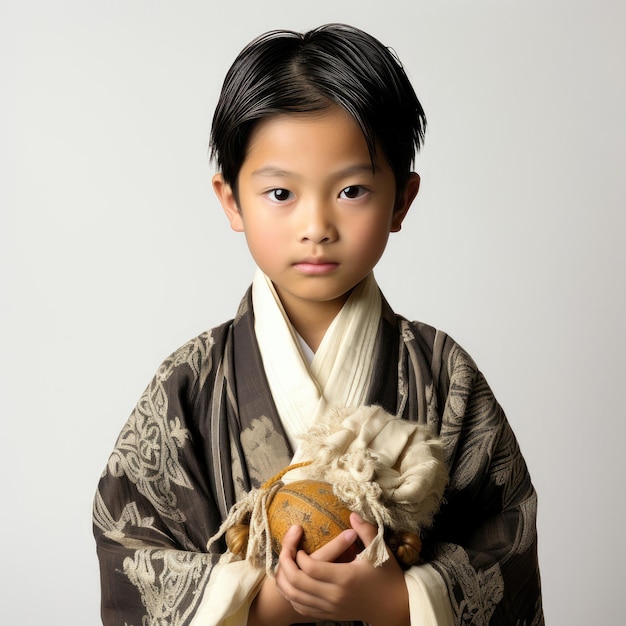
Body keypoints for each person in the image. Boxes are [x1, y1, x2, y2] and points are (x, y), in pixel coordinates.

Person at [93, 23, 544, 625]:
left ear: (402, 201)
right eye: (281, 193)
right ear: (231, 200)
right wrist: (257, 606)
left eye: (352, 190)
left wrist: (400, 602)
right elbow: (128, 547)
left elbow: (505, 538)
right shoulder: (191, 381)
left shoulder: (442, 373)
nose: (317, 224)